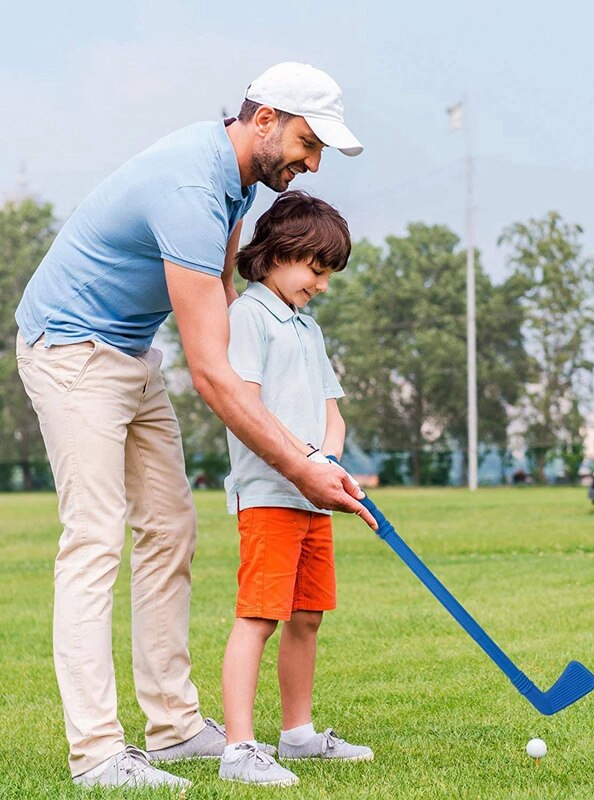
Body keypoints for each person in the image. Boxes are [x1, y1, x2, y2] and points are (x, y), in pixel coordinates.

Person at [14, 61, 377, 789]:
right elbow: (211, 372)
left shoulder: (237, 180)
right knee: (93, 539)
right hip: (70, 349)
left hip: (131, 351)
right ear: (265, 118)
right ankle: (96, 754)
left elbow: (215, 296)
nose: (312, 163)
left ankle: (176, 728)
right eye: (309, 143)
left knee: (171, 528)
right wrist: (302, 465)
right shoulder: (189, 184)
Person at [217, 191, 373, 787]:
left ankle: (297, 735)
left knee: (307, 616)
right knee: (259, 616)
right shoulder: (248, 318)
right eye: (317, 269)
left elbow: (333, 410)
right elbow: (246, 406)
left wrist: (327, 458)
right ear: (280, 253)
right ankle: (239, 748)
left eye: (329, 274)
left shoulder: (307, 328)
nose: (323, 285)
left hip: (314, 498)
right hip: (267, 497)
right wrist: (304, 459)